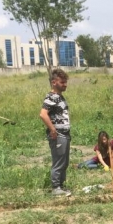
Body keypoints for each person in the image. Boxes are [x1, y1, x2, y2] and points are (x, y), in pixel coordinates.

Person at [40, 69, 72, 197]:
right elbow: (43, 114)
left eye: (66, 82)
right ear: (54, 82)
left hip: (65, 134)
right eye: (62, 82)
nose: (65, 84)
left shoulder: (59, 97)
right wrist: (53, 129)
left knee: (64, 161)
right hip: (58, 135)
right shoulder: (51, 97)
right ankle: (55, 187)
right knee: (58, 161)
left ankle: (61, 186)